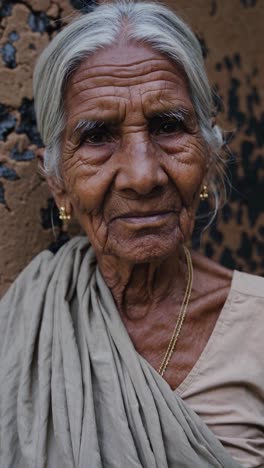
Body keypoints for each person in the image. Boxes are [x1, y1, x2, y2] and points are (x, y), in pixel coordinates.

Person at [0, 1, 263, 467]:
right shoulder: (22, 328)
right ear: (56, 178)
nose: (142, 176)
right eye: (98, 135)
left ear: (207, 151)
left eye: (168, 127)